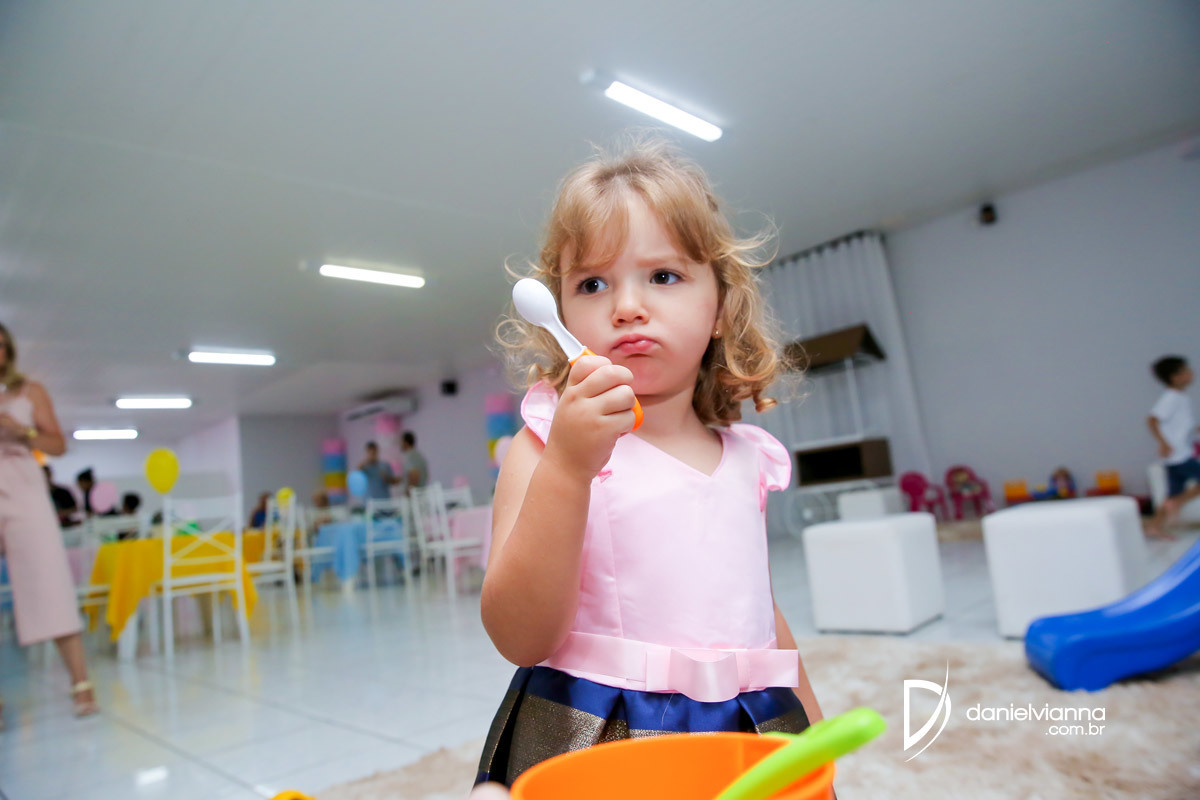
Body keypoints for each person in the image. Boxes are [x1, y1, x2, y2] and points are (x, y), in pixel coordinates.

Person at [476, 138, 825, 787]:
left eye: (663, 276)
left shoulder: (748, 458)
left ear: (720, 307)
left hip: (745, 732)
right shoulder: (544, 442)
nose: (627, 306)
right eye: (592, 283)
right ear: (559, 311)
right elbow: (519, 638)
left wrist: (812, 735)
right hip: (600, 736)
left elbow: (761, 618)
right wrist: (569, 469)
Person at [0, 322, 99, 721]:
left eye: (1, 345)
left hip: (24, 492)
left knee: (50, 581)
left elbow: (58, 444)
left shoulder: (30, 391)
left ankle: (81, 684)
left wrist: (22, 431)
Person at [1147, 355, 1199, 538]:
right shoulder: (1172, 398)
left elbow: (1183, 426)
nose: (1191, 373)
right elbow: (1152, 420)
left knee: (1172, 494)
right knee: (1175, 497)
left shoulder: (1181, 398)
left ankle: (1154, 526)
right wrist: (1163, 443)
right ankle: (1177, 503)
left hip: (1175, 457)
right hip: (1179, 455)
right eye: (1186, 371)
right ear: (1175, 377)